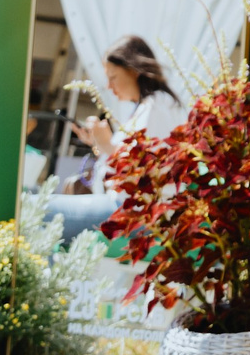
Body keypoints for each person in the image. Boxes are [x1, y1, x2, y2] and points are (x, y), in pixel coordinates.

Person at [48, 34, 182, 241]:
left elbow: (147, 172)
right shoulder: (146, 108)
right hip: (125, 207)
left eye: (113, 78)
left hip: (135, 213)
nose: (109, 87)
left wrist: (107, 145)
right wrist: (97, 144)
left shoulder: (157, 108)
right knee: (38, 209)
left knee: (41, 211)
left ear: (134, 71)